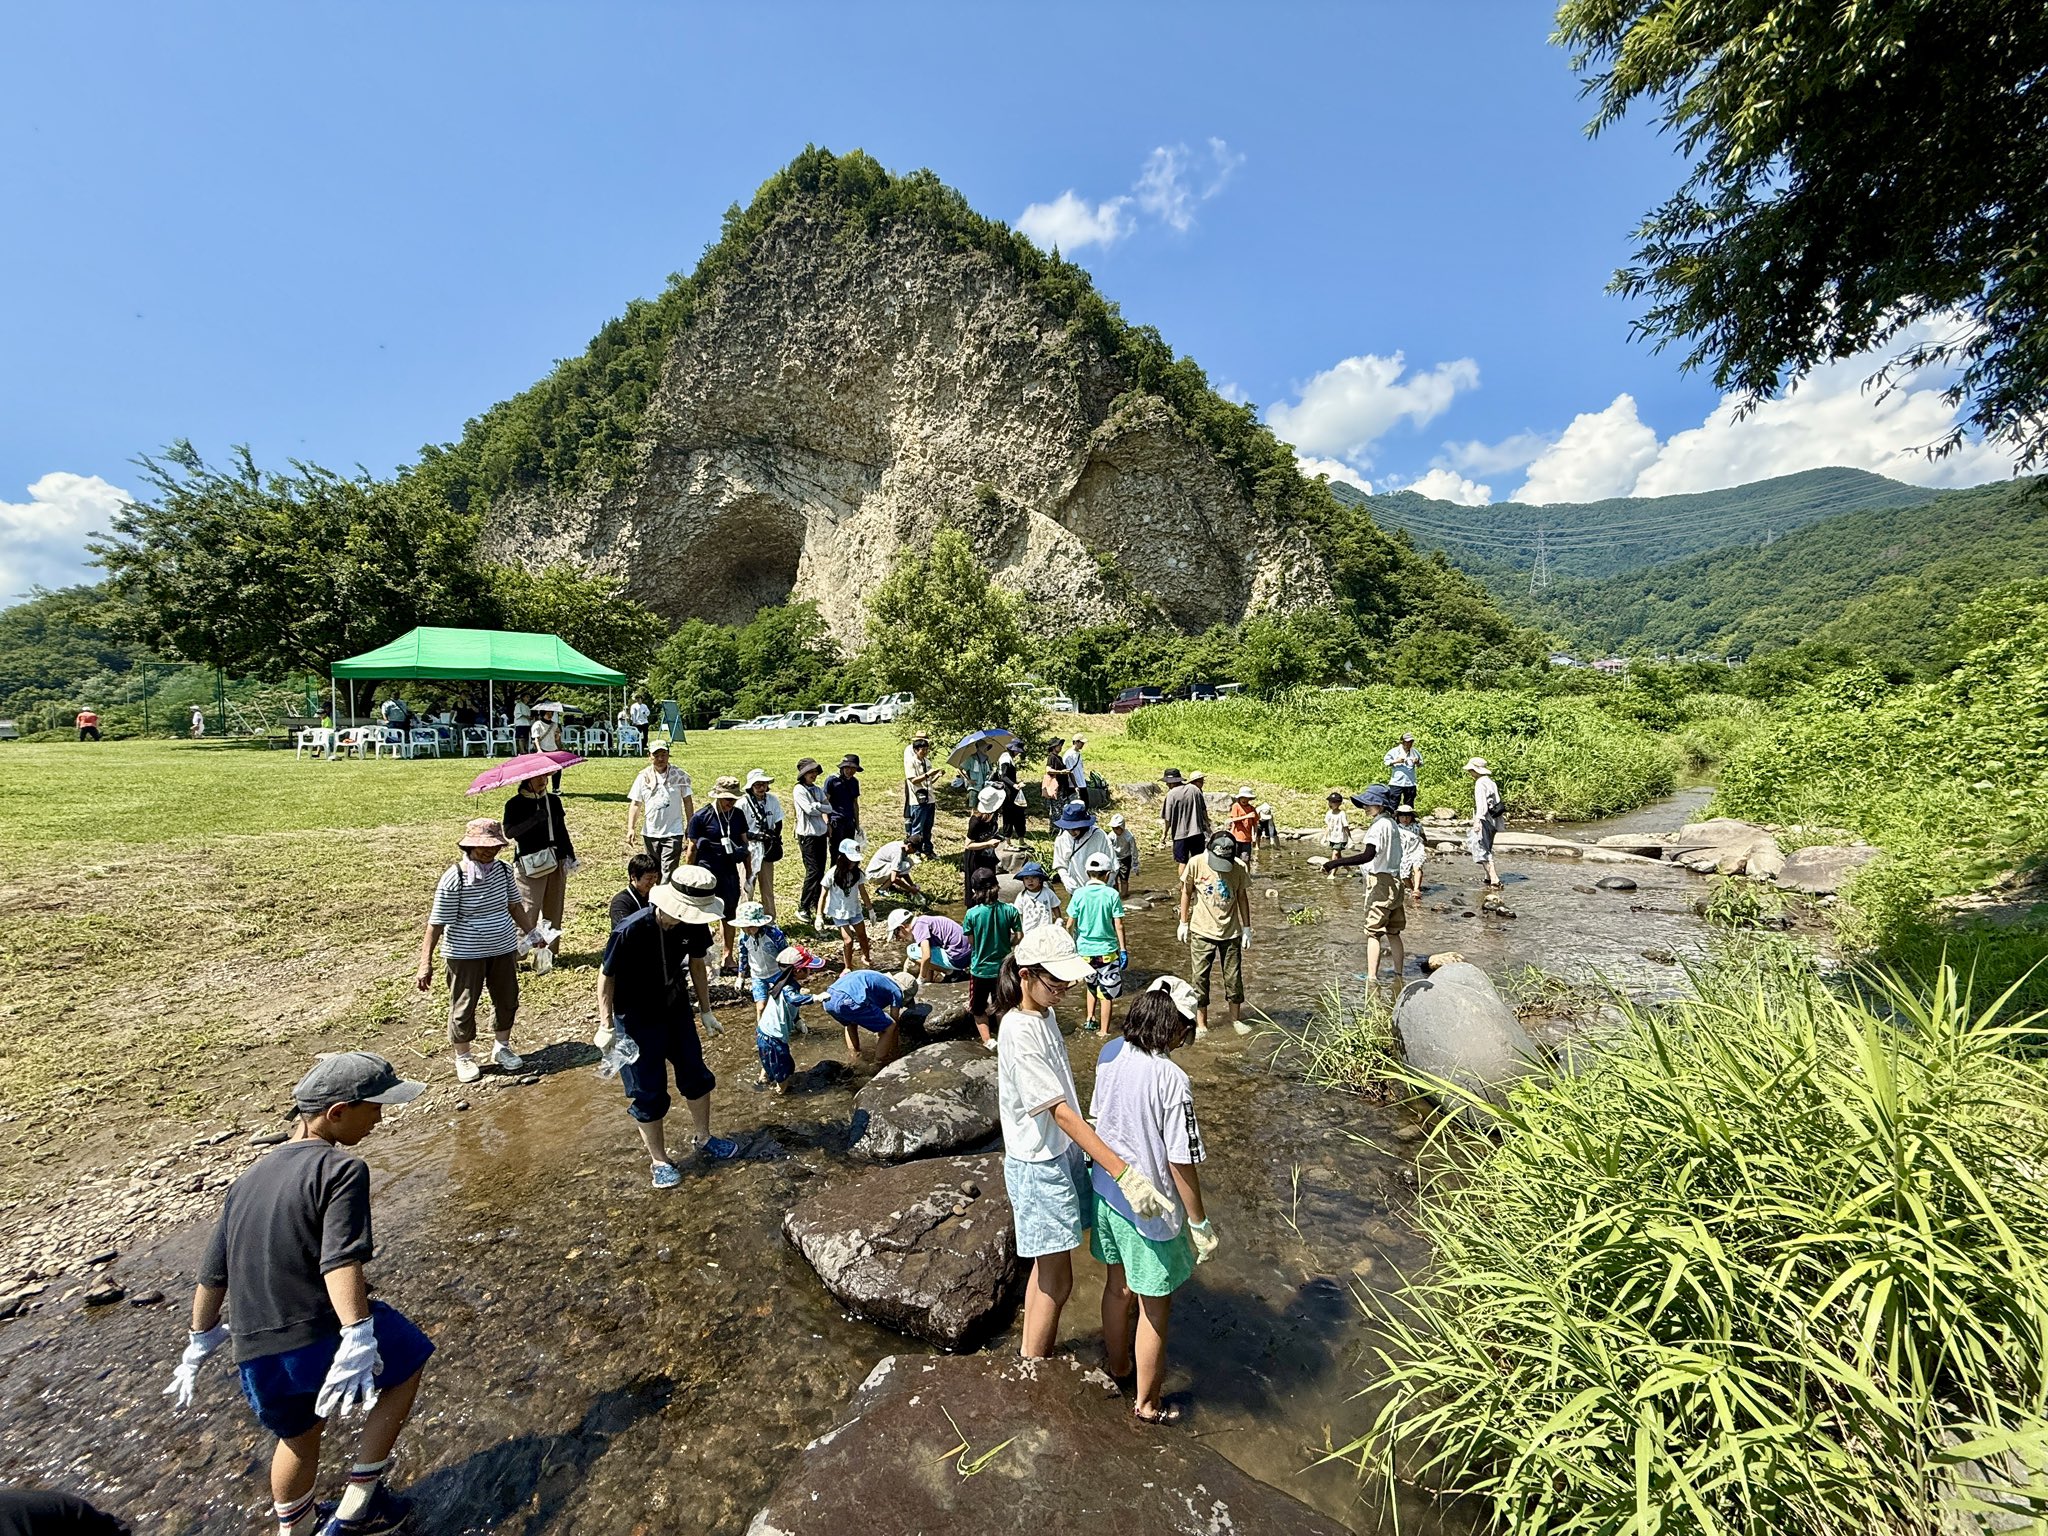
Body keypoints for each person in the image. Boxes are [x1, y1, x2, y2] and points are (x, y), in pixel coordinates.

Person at [166, 1051, 432, 1536]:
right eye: (375, 1108)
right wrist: (357, 1334)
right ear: (337, 1112)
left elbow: (212, 1273)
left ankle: (298, 1529)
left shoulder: (246, 1181)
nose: (380, 1118)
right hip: (317, 1331)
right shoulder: (341, 1169)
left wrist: (198, 1340)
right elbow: (339, 1261)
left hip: (254, 1349)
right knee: (410, 1359)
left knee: (298, 1435)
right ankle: (357, 1510)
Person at [995, 926, 1175, 1360]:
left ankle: (1027, 1358)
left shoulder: (1043, 1014)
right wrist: (1122, 1171)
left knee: (1047, 1271)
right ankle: (1034, 1369)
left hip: (1059, 1153)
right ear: (1025, 975)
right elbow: (1058, 1111)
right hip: (1039, 1164)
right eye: (1055, 982)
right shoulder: (1019, 1031)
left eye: (1067, 982)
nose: (1063, 990)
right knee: (1058, 1282)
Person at [1090, 977, 1216, 1425]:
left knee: (1116, 1287)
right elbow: (1181, 1162)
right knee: (1154, 1311)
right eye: (1186, 1029)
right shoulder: (1172, 1080)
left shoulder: (1110, 1053)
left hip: (1107, 1194)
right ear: (1174, 1027)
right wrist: (1199, 1224)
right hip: (1150, 1212)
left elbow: (1098, 1121)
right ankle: (1147, 1404)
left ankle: (1118, 1367)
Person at [596, 879, 739, 1187]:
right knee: (647, 1089)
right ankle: (659, 1160)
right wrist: (605, 1025)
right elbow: (606, 977)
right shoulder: (630, 930)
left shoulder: (694, 924)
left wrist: (706, 1010)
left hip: (676, 1008)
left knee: (696, 1074)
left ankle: (704, 1137)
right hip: (635, 1017)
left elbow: (697, 965)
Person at [417, 818, 537, 1084]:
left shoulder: (504, 871)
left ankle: (502, 1047)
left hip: (502, 948)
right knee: (464, 1004)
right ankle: (463, 1056)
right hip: (465, 953)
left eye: (494, 846)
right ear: (469, 846)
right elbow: (436, 923)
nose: (488, 851)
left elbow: (514, 906)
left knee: (507, 998)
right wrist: (425, 962)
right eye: (483, 846)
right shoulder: (455, 877)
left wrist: (532, 933)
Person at [1325, 787, 1406, 984]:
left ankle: (1371, 978)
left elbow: (1368, 855)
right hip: (1396, 881)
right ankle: (1399, 975)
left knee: (1373, 932)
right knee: (1394, 931)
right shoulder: (1392, 824)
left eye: (1369, 804)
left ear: (1381, 805)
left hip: (1381, 882)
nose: (1365, 808)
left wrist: (1335, 863)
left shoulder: (1378, 826)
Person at [1177, 831, 1251, 1038]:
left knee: (1233, 978)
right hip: (1201, 930)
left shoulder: (1239, 867)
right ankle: (1201, 1024)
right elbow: (1186, 891)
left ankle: (1235, 1020)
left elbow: (1242, 896)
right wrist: (1183, 922)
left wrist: (1247, 927)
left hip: (1231, 932)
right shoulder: (1196, 863)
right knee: (1200, 978)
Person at [503, 772, 576, 974]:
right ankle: (517, 955)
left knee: (554, 909)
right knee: (527, 910)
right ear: (527, 779)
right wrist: (534, 820)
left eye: (546, 777)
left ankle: (548, 954)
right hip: (529, 864)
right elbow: (509, 833)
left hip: (555, 859)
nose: (543, 781)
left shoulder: (553, 801)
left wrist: (570, 855)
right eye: (538, 777)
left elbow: (562, 830)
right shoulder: (514, 804)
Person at [686, 777, 754, 974]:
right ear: (717, 796)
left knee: (729, 913)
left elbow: (745, 845)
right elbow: (692, 849)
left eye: (733, 799)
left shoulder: (738, 815)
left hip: (729, 872)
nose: (730, 802)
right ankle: (703, 956)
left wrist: (749, 873)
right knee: (702, 913)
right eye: (727, 799)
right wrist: (688, 873)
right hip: (705, 872)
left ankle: (728, 955)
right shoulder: (701, 817)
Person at [1066, 850, 1127, 1035]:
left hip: (1084, 951)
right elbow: (1119, 925)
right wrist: (1123, 950)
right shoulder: (1112, 894)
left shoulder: (1078, 894)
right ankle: (1103, 1031)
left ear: (1087, 873)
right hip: (1107, 952)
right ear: (1107, 874)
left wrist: (1071, 947)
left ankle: (1090, 1018)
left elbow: (1070, 923)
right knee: (1106, 993)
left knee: (1091, 985)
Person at [961, 867, 1021, 1049]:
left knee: (978, 1009)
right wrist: (1007, 943)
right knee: (1002, 1006)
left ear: (974, 890)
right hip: (1003, 969)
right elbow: (1019, 936)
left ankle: (988, 1041)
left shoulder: (972, 914)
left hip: (980, 969)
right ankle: (1005, 1038)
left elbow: (971, 941)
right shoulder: (1010, 910)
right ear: (997, 886)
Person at [822, 966, 919, 1068]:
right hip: (850, 1000)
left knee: (850, 1022)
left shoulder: (878, 979)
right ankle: (878, 1063)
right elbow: (894, 1022)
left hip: (829, 998)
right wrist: (895, 1050)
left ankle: (854, 1057)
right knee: (890, 1026)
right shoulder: (896, 990)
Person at [755, 945, 820, 1093]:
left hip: (765, 1033)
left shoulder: (783, 983)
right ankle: (780, 1094)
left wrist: (797, 1020)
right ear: (797, 971)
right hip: (773, 1038)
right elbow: (793, 1000)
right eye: (808, 968)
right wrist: (815, 998)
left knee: (773, 1062)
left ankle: (763, 1081)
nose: (811, 971)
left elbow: (788, 1008)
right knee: (784, 1070)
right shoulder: (788, 988)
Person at [626, 743, 694, 882]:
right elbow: (636, 803)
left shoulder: (680, 776)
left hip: (673, 832)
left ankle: (664, 894)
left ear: (668, 755)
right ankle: (656, 892)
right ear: (649, 756)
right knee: (653, 870)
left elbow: (688, 801)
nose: (660, 759)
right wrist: (631, 828)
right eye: (656, 755)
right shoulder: (643, 777)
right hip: (650, 832)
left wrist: (690, 825)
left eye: (663, 755)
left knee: (669, 871)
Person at [738, 769, 785, 918]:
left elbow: (778, 821)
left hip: (766, 848)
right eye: (757, 785)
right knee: (746, 886)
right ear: (751, 787)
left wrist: (773, 837)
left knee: (767, 887)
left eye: (763, 784)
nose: (761, 788)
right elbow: (738, 829)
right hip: (749, 848)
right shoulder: (743, 803)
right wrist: (755, 836)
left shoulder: (772, 800)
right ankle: (745, 919)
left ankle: (770, 919)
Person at [790, 757, 831, 925]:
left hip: (820, 834)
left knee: (820, 871)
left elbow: (829, 807)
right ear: (803, 774)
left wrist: (817, 806)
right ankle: (803, 907)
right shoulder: (799, 790)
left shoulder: (817, 789)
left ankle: (817, 905)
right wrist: (819, 806)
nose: (813, 775)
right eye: (810, 772)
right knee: (813, 871)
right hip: (808, 836)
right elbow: (809, 810)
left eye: (815, 772)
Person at [823, 837, 874, 969]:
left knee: (862, 935)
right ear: (843, 858)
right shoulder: (832, 874)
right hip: (839, 912)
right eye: (851, 860)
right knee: (848, 940)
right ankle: (848, 967)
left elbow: (863, 893)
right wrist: (818, 916)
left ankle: (866, 957)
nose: (853, 863)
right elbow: (823, 894)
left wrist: (870, 910)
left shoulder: (857, 874)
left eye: (855, 861)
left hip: (854, 910)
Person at [882, 907, 971, 982]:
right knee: (921, 949)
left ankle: (951, 972)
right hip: (969, 955)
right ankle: (947, 972)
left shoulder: (918, 927)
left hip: (959, 959)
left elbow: (927, 956)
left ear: (902, 927)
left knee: (911, 951)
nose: (898, 939)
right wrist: (929, 981)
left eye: (896, 934)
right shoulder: (924, 920)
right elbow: (929, 951)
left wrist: (921, 978)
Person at [1050, 800, 1115, 898]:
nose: (1072, 832)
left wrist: (1106, 888)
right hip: (1076, 891)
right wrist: (1065, 879)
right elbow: (1060, 863)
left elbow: (1113, 865)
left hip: (1100, 891)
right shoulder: (1062, 838)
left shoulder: (1099, 836)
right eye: (1068, 829)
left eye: (1075, 829)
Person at [732, 900, 789, 995]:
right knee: (761, 1003)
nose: (747, 930)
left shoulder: (774, 935)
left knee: (783, 998)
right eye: (743, 927)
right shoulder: (743, 938)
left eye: (750, 926)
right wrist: (740, 977)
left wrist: (788, 974)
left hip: (778, 973)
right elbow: (743, 956)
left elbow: (786, 954)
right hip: (757, 976)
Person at [1465, 756, 1504, 889]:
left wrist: (1477, 821)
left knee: (1481, 847)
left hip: (1484, 819)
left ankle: (1494, 878)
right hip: (1494, 819)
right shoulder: (1490, 782)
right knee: (1487, 846)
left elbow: (1482, 805)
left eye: (1471, 770)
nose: (1470, 772)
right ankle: (1488, 876)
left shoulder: (1480, 783)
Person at [1160, 768, 1210, 869]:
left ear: (1171, 783)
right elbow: (1203, 810)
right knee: (1199, 861)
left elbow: (1168, 819)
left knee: (1182, 862)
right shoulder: (1194, 789)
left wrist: (1164, 834)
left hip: (1180, 835)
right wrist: (1207, 824)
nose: (1167, 785)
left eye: (1167, 783)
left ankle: (1183, 880)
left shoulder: (1171, 794)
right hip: (1197, 833)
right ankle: (1198, 879)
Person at [963, 784, 1006, 889]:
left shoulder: (993, 816)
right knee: (978, 886)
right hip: (975, 858)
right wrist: (988, 844)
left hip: (988, 855)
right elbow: (968, 845)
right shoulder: (975, 821)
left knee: (990, 885)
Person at [901, 734, 937, 857]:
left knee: (928, 827)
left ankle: (928, 850)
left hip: (930, 798)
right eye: (923, 750)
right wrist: (928, 774)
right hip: (918, 800)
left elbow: (929, 782)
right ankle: (914, 852)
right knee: (917, 827)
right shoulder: (910, 762)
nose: (925, 752)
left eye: (927, 749)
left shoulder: (927, 762)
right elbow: (913, 780)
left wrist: (936, 775)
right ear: (916, 750)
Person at [609, 852, 661, 930]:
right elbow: (622, 931)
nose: (652, 881)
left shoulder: (655, 897)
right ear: (633, 876)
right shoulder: (621, 902)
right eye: (649, 878)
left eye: (655, 877)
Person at [823, 754, 863, 849]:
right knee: (836, 850)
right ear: (842, 768)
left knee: (849, 850)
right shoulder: (832, 781)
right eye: (847, 768)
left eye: (853, 768)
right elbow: (825, 802)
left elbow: (855, 803)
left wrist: (857, 824)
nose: (850, 771)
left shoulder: (854, 782)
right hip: (835, 821)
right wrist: (827, 823)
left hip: (849, 821)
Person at [1014, 861, 1062, 934]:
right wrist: (1018, 930)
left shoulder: (1048, 892)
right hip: (1028, 932)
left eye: (1034, 877)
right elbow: (1018, 914)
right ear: (1023, 881)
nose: (1030, 881)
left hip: (1046, 930)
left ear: (1040, 879)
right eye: (1026, 878)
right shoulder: (1022, 896)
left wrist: (1059, 919)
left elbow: (1055, 906)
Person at [995, 744, 1029, 841]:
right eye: (1017, 751)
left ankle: (1020, 838)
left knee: (1018, 815)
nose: (1018, 753)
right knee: (1008, 816)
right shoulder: (1005, 758)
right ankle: (1007, 840)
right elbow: (1004, 776)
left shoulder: (1009, 758)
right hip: (1008, 791)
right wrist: (1014, 785)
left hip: (1013, 790)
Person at [1040, 745, 1075, 833]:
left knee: (1060, 808)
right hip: (1056, 788)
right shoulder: (1051, 757)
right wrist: (1061, 772)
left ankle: (1059, 828)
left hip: (1061, 787)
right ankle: (1055, 829)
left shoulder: (1059, 758)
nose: (1060, 747)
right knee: (1056, 809)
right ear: (1053, 747)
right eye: (1059, 746)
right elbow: (1048, 770)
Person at [1397, 802, 1428, 898]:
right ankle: (1412, 889)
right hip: (1404, 853)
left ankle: (1416, 889)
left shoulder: (1417, 826)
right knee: (1404, 875)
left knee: (1417, 868)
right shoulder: (1397, 828)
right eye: (1402, 816)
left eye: (1407, 816)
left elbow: (1423, 836)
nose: (1405, 819)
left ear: (1411, 817)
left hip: (1417, 850)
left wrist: (1424, 843)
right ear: (1398, 817)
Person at [1385, 733, 1423, 809]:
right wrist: (1396, 761)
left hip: (1410, 782)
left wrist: (1417, 762)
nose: (1409, 744)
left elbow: (1421, 764)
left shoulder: (1415, 752)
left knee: (1409, 804)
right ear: (1402, 742)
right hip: (1396, 782)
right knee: (1393, 803)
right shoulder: (1394, 751)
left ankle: (1407, 816)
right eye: (1407, 742)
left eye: (1411, 742)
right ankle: (1393, 816)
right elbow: (1386, 762)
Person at [529, 706, 563, 789]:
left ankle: (556, 788)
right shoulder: (537, 724)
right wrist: (539, 750)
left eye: (551, 713)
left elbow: (556, 739)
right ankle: (540, 788)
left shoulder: (555, 724)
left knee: (557, 770)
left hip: (553, 749)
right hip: (543, 750)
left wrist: (558, 735)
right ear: (543, 714)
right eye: (547, 713)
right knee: (542, 771)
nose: (550, 715)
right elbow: (536, 739)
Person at [1227, 788, 1260, 870]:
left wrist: (1254, 836)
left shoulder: (1252, 809)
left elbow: (1255, 824)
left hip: (1247, 839)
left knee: (1246, 860)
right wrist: (1247, 816)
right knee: (1235, 859)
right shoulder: (1236, 806)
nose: (1244, 800)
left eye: (1246, 798)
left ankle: (1246, 875)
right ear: (1239, 798)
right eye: (1242, 798)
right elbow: (1233, 819)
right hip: (1236, 838)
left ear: (1249, 799)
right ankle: (1234, 874)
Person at [1108, 813, 1139, 897]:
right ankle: (1116, 896)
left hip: (1125, 858)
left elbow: (1134, 850)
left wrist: (1135, 864)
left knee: (1124, 879)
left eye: (1117, 828)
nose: (1115, 830)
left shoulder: (1129, 836)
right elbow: (1108, 848)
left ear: (1122, 827)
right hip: (1114, 858)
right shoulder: (1111, 836)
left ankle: (1124, 896)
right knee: (1113, 879)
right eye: (1113, 828)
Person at [1323, 791, 1352, 881]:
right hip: (1332, 837)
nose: (1330, 804)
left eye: (1333, 802)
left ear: (1339, 803)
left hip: (1340, 838)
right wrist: (1325, 837)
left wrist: (1350, 838)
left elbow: (1345, 826)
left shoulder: (1342, 814)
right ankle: (1350, 870)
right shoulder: (1329, 813)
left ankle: (1333, 873)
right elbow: (1328, 826)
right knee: (1339, 857)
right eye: (1330, 802)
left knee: (1335, 854)